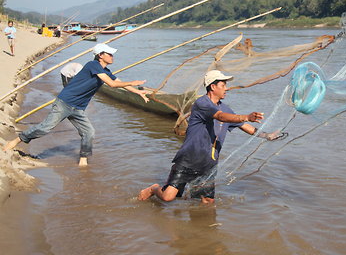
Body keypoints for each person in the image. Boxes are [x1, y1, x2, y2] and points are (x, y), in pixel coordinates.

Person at [138, 70, 281, 204]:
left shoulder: (226, 108)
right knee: (168, 197)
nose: (226, 88)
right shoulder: (202, 103)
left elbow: (244, 126)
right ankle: (153, 189)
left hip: (209, 162)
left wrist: (266, 135)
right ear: (213, 87)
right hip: (189, 158)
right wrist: (246, 116)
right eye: (223, 85)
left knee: (207, 202)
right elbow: (220, 116)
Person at [3, 43, 149, 166]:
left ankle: (83, 160)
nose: (112, 56)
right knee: (45, 128)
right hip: (64, 103)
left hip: (78, 108)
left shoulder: (106, 70)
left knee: (89, 132)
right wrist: (133, 82)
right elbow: (111, 84)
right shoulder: (93, 65)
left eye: (112, 54)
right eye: (109, 54)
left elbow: (118, 82)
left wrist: (138, 92)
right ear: (100, 55)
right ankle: (17, 140)